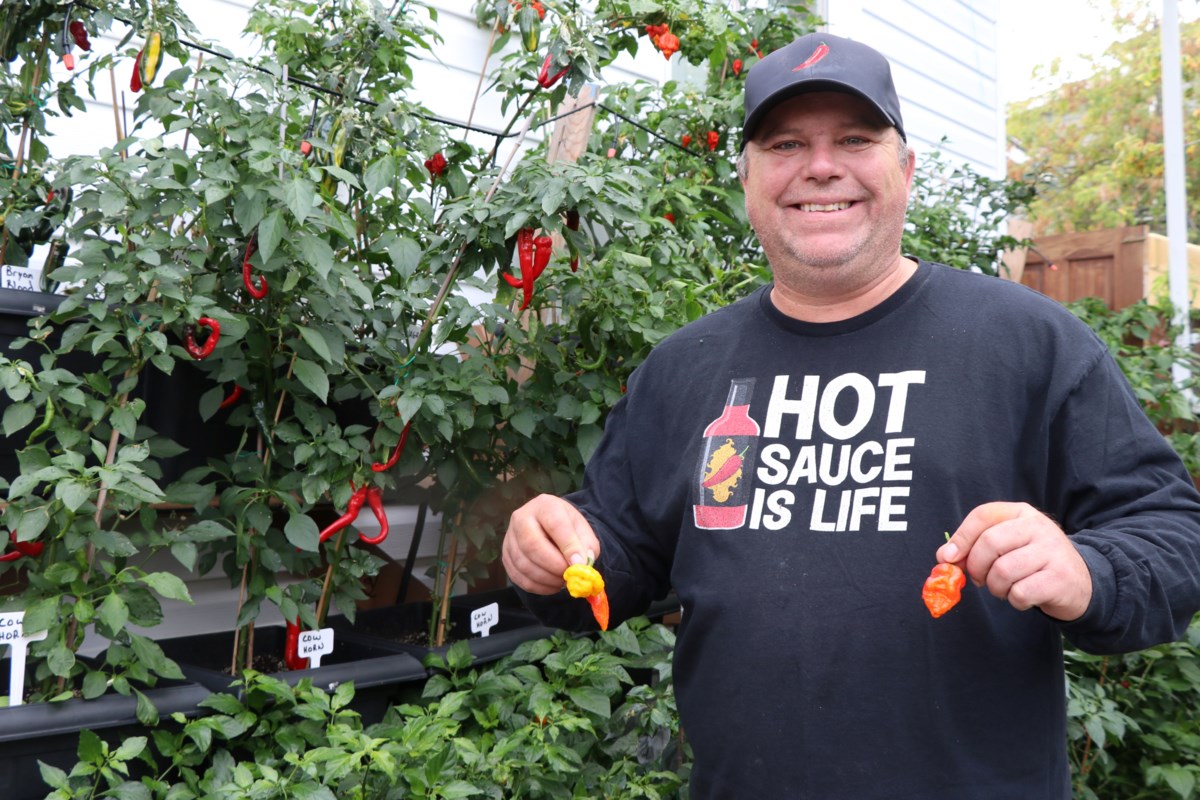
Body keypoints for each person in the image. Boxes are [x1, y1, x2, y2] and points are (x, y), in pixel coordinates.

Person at [502, 30, 1200, 798]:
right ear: (747, 178)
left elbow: (1173, 538)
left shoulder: (1025, 344)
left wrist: (1089, 570)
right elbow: (617, 557)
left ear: (905, 169)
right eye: (786, 143)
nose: (821, 165)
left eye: (856, 139)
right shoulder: (684, 369)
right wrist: (555, 556)